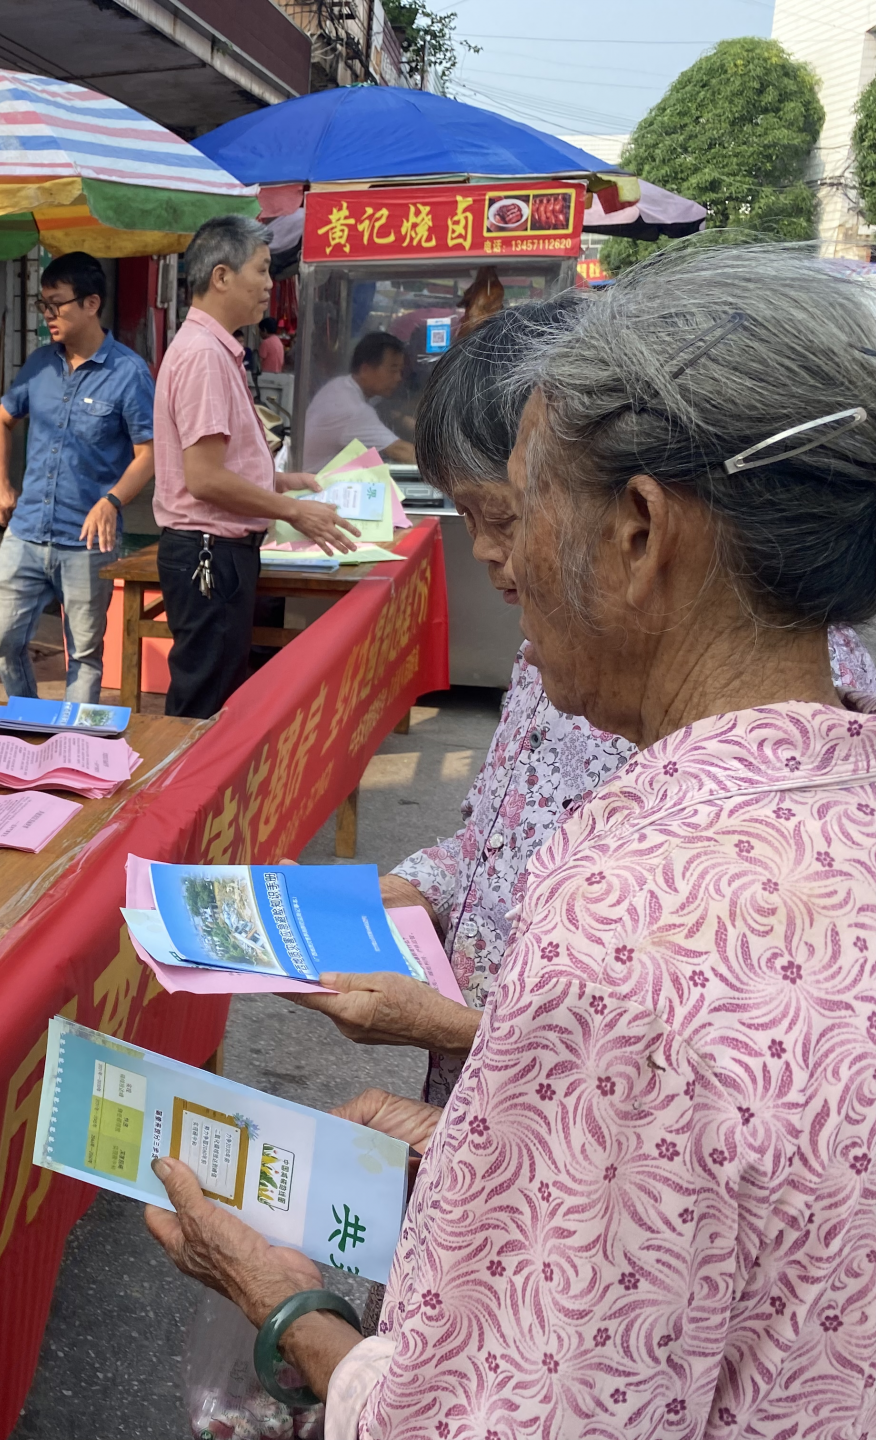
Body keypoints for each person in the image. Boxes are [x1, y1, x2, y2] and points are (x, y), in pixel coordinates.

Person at [147, 242, 876, 1434]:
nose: (504, 563)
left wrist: (288, 1309)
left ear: (639, 532)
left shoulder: (631, 925)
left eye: (525, 508)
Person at [286, 304, 876, 1103]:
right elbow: (493, 834)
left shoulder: (754, 792)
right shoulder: (560, 650)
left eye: (508, 514)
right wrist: (397, 893)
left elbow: (681, 1094)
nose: (493, 550)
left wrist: (459, 1029)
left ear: (637, 527)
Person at [151, 215, 360, 719]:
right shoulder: (203, 354)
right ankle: (184, 796)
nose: (270, 285)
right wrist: (291, 509)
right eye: (262, 270)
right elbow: (203, 478)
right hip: (209, 554)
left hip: (220, 553)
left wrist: (279, 481)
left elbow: (213, 463)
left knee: (216, 695)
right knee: (203, 707)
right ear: (221, 277)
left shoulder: (217, 348)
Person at [0, 251, 155, 704]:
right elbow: (1, 421)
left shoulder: (129, 374)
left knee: (83, 654)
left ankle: (71, 749)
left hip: (87, 543)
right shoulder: (40, 364)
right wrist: (0, 483)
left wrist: (112, 501)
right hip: (25, 534)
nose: (47, 317)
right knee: (3, 637)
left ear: (91, 304)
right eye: (43, 305)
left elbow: (149, 454)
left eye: (56, 305)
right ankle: (26, 722)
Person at [301, 330, 414, 470]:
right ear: (365, 369)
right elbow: (403, 452)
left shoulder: (339, 386)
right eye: (393, 369)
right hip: (312, 483)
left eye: (400, 371)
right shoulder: (354, 410)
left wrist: (401, 418)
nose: (398, 378)